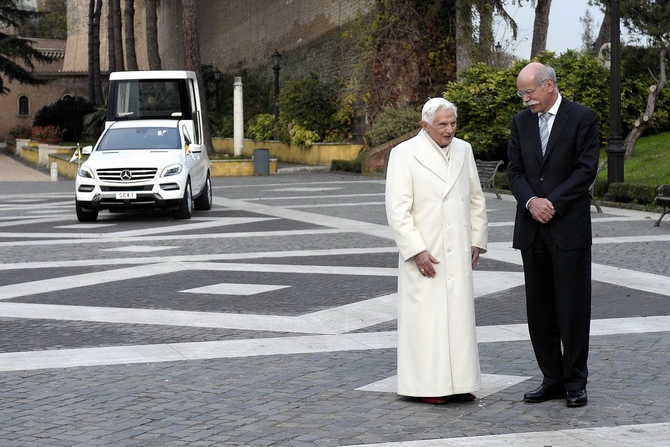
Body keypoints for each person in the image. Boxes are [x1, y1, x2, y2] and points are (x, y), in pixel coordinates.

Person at [507, 62, 600, 407]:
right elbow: (514, 172)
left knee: (573, 308)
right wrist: (531, 202)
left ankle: (576, 382)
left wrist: (552, 203)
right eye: (521, 93)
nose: (525, 100)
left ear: (549, 86)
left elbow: (585, 169)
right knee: (540, 310)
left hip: (568, 230)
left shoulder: (582, 118)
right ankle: (552, 378)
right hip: (532, 230)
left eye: (529, 92)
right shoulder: (520, 123)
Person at [385, 97, 488, 405]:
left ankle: (461, 382)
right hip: (426, 252)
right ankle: (428, 386)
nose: (449, 130)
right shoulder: (403, 154)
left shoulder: (464, 149)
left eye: (453, 123)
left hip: (457, 249)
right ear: (425, 125)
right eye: (442, 124)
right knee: (427, 323)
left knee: (458, 321)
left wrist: (477, 240)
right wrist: (416, 250)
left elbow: (476, 199)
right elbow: (397, 210)